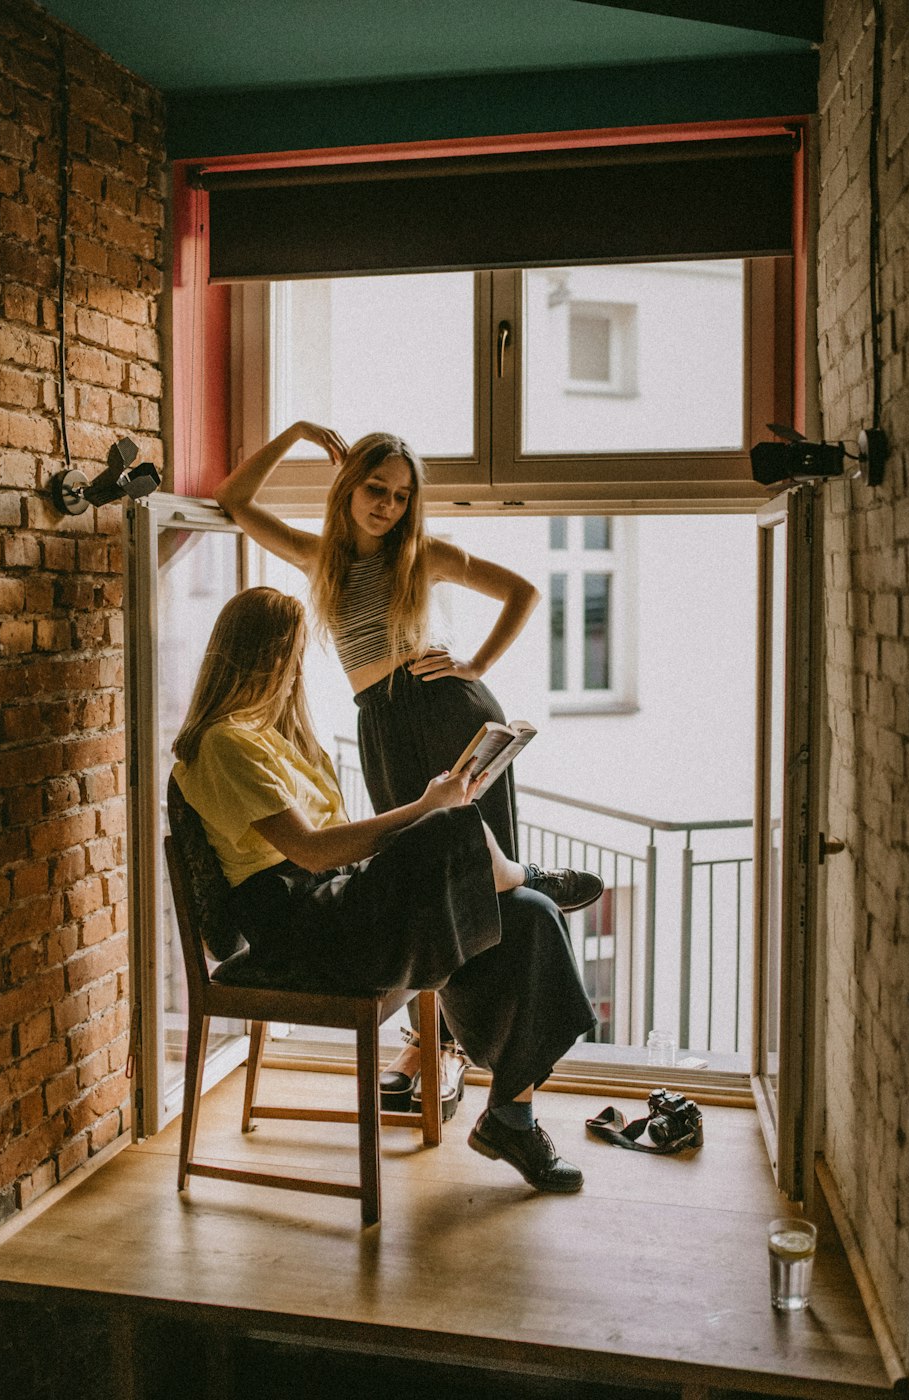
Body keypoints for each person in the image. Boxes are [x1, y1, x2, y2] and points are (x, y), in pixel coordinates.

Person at [214, 421, 603, 1118]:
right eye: (375, 489)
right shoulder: (319, 559)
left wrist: (476, 664)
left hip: (446, 709)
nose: (387, 506)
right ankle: (445, 1048)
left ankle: (455, 1053)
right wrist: (298, 432)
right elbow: (236, 500)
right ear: (349, 487)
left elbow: (522, 593)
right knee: (425, 883)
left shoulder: (423, 557)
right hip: (382, 725)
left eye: (399, 496)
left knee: (474, 887)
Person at [171, 587, 598, 1192]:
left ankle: (512, 1117)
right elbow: (314, 851)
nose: (296, 667)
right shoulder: (221, 744)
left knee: (527, 915)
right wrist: (426, 810)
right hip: (298, 929)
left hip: (336, 906)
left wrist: (432, 815)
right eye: (290, 654)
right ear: (258, 657)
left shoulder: (281, 739)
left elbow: (337, 848)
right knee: (459, 833)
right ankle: (528, 874)